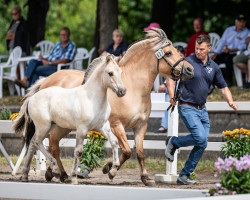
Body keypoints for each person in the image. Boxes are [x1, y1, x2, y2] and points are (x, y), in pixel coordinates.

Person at [165, 35, 238, 185]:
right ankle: (173, 142)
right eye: (197, 49)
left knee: (202, 143)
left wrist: (230, 101)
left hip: (202, 110)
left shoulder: (214, 67)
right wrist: (172, 96)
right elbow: (171, 79)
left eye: (202, 49)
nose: (198, 51)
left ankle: (184, 175)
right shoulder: (187, 62)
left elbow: (223, 87)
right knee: (200, 138)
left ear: (209, 49)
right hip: (187, 106)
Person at [211, 14, 249, 87]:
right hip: (226, 51)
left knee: (228, 60)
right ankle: (212, 81)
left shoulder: (247, 32)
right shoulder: (229, 30)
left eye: (243, 22)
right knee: (214, 60)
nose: (241, 23)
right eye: (239, 21)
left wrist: (230, 50)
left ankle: (229, 81)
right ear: (236, 22)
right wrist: (215, 53)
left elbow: (243, 46)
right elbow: (222, 42)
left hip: (237, 53)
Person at [154, 45, 185, 133]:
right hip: (172, 90)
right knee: (164, 93)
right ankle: (164, 125)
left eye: (180, 56)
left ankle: (164, 125)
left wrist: (164, 87)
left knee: (168, 95)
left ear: (184, 56)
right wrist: (163, 86)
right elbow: (170, 79)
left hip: (183, 90)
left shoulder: (185, 66)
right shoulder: (174, 67)